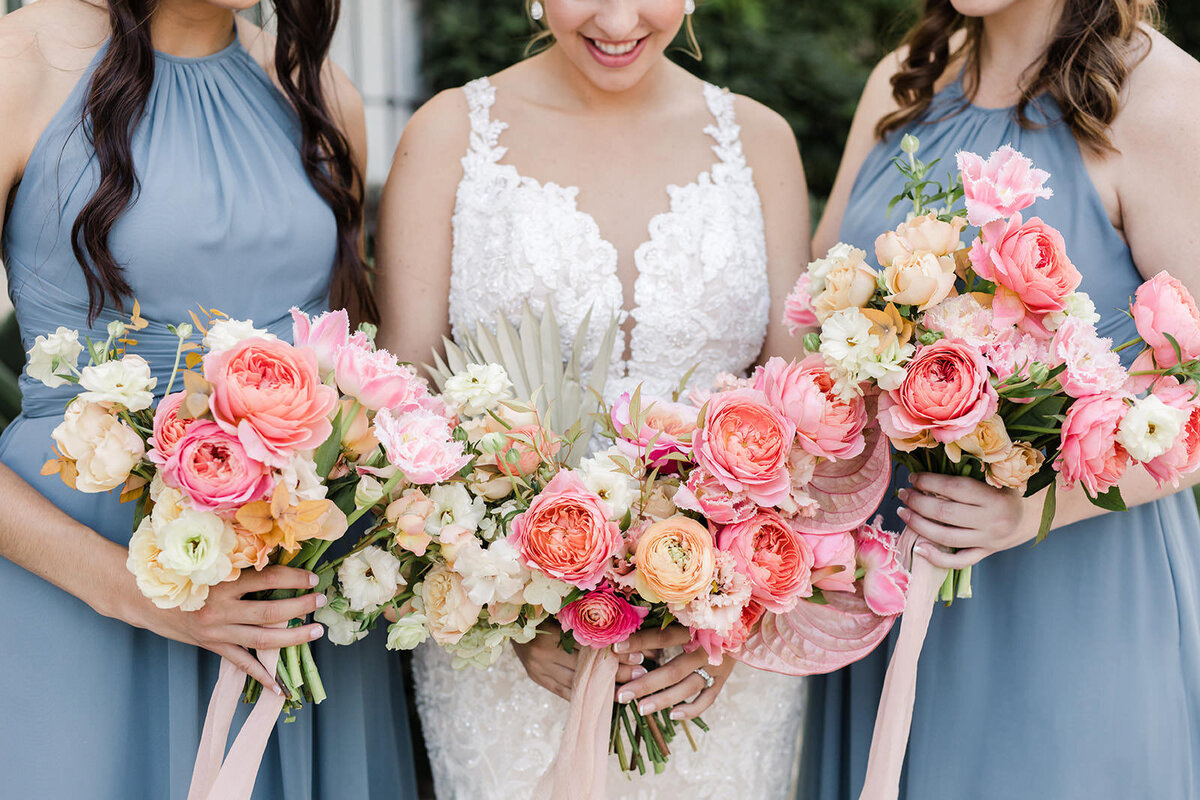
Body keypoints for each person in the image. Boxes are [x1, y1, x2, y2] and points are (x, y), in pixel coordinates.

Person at [375, 0, 811, 795]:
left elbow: (798, 420)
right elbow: (405, 417)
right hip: (511, 652)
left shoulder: (761, 141)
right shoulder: (448, 135)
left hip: (716, 659)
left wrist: (731, 616)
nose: (618, 18)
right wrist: (503, 612)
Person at [0, 1, 416, 796]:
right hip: (81, 591)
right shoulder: (18, 66)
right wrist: (137, 591)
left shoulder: (322, 94)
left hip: (298, 591)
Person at [802, 1, 1200, 798]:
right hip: (883, 578)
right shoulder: (902, 83)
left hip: (1072, 597)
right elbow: (814, 318)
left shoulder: (1163, 98)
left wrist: (1033, 511)